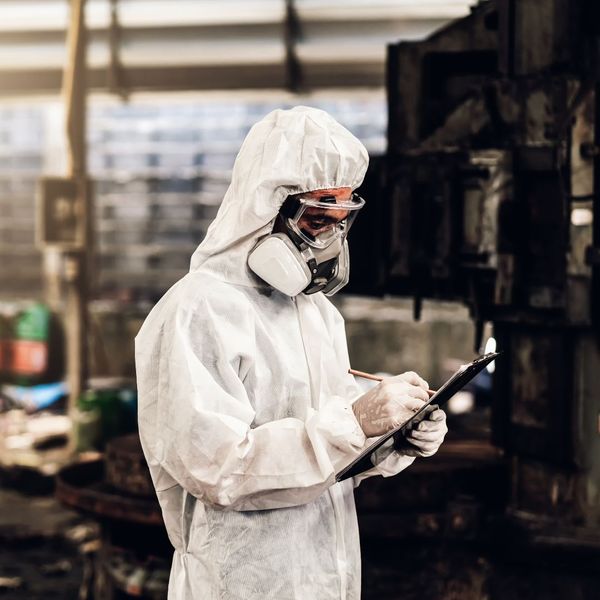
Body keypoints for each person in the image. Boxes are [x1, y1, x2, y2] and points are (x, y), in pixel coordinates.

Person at [135, 106, 448, 599]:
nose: (328, 236)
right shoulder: (199, 309)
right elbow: (219, 470)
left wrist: (392, 438)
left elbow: (331, 450)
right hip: (238, 582)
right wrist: (356, 421)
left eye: (341, 218)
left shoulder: (315, 312)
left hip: (324, 574)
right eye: (317, 216)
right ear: (268, 206)